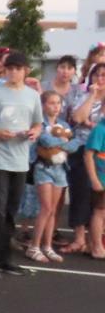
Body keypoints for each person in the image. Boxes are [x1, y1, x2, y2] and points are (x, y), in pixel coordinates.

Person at [0, 51, 42, 278]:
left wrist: (33, 132)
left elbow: (38, 123)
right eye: (9, 68)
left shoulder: (32, 96)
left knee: (12, 210)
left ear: (25, 71)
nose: (13, 72)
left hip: (20, 158)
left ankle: (5, 258)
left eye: (17, 68)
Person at [29, 91, 79, 262]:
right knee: (46, 208)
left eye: (58, 103)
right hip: (44, 167)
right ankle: (34, 246)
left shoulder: (63, 124)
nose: (55, 106)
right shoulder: (40, 124)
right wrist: (64, 141)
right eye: (51, 103)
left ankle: (47, 245)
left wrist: (64, 142)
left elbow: (75, 144)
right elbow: (46, 141)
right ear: (43, 105)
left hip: (60, 169)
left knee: (53, 211)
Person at [64, 63, 105, 254]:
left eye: (104, 75)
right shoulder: (84, 96)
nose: (100, 79)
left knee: (99, 202)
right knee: (81, 193)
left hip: (102, 153)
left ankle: (94, 240)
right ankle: (80, 237)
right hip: (82, 149)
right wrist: (92, 96)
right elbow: (79, 118)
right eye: (96, 75)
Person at [85, 113, 105, 259]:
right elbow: (88, 155)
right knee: (100, 212)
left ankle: (92, 244)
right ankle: (97, 247)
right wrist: (94, 179)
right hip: (102, 178)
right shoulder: (100, 129)